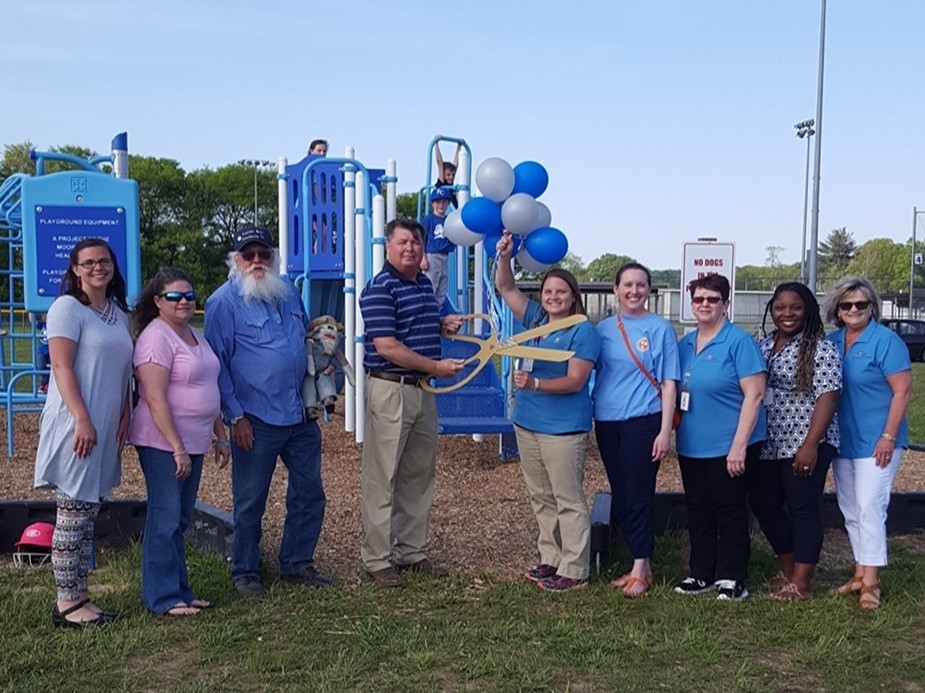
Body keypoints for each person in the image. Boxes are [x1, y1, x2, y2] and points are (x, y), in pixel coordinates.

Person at [203, 226, 329, 597]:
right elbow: (216, 365)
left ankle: (296, 564)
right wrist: (235, 417)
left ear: (273, 258)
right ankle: (245, 571)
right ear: (236, 260)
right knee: (250, 500)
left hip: (299, 413)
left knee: (310, 492)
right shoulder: (222, 302)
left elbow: (305, 337)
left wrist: (321, 364)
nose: (256, 261)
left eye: (263, 254)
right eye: (248, 255)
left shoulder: (288, 290)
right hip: (255, 419)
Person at [358, 217, 465, 588]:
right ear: (388, 247)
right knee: (382, 475)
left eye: (416, 243)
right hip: (391, 389)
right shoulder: (379, 289)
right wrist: (436, 365)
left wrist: (441, 324)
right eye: (402, 242)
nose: (410, 248)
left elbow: (412, 324)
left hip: (422, 391)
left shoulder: (421, 284)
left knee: (418, 474)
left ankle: (411, 553)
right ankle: (376, 559)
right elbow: (387, 346)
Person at [33, 238, 133, 628]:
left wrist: (125, 413)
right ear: (75, 269)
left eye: (104, 261)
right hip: (77, 425)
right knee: (72, 514)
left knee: (87, 512)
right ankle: (67, 604)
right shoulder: (66, 309)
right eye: (88, 262)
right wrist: (83, 418)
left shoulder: (118, 315)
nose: (97, 268)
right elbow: (62, 368)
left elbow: (125, 371)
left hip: (106, 426)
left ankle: (80, 594)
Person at [495, 230, 601, 592]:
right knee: (541, 496)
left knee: (567, 498)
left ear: (574, 296)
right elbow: (507, 289)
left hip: (563, 427)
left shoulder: (582, 331)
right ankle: (551, 558)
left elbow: (576, 380)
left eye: (561, 292)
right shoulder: (537, 320)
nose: (554, 297)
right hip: (527, 422)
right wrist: (505, 256)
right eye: (548, 292)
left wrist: (536, 384)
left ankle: (574, 568)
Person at [129, 268, 230, 616]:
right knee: (165, 517)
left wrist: (220, 435)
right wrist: (177, 447)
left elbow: (208, 387)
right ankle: (162, 597)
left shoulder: (192, 334)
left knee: (181, 518)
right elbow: (155, 399)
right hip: (163, 443)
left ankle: (182, 591)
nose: (184, 301)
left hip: (195, 440)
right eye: (175, 296)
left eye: (189, 295)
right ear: (158, 301)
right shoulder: (156, 338)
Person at [674, 274, 766, 601]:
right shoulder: (684, 344)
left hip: (730, 445)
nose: (705, 305)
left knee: (729, 510)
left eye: (713, 299)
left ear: (726, 303)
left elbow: (754, 395)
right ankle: (701, 573)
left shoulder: (739, 343)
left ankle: (732, 577)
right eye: (699, 299)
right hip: (691, 445)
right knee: (698, 509)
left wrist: (739, 446)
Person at [749, 282, 841, 601]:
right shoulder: (762, 345)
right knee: (765, 505)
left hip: (806, 440)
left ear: (808, 311)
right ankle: (788, 570)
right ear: (771, 310)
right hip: (768, 441)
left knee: (802, 508)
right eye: (780, 307)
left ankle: (802, 582)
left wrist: (811, 444)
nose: (787, 313)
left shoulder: (819, 348)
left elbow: (828, 396)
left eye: (796, 307)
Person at [592, 262, 679, 598]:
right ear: (615, 289)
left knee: (638, 493)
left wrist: (663, 431)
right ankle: (639, 562)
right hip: (607, 421)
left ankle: (641, 565)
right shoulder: (602, 329)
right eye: (627, 285)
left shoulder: (660, 329)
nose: (633, 291)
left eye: (640, 285)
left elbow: (669, 382)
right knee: (622, 491)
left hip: (644, 420)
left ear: (649, 289)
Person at [825, 276, 911, 610]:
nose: (854, 310)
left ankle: (872, 582)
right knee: (850, 508)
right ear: (838, 309)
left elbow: (902, 390)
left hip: (878, 440)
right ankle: (859, 573)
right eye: (847, 305)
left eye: (861, 304)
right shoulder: (832, 342)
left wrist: (889, 435)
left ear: (872, 306)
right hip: (843, 440)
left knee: (870, 505)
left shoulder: (886, 341)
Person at [420, 187, 453, 310]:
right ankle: (426, 313)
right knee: (430, 286)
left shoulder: (448, 220)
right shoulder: (429, 219)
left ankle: (435, 314)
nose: (441, 205)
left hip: (444, 255)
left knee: (442, 288)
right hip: (432, 255)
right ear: (433, 203)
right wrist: (422, 258)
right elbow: (421, 239)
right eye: (438, 202)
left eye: (444, 202)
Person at [434, 134, 463, 208]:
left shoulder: (451, 184)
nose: (451, 177)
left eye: (453, 175)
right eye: (448, 174)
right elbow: (439, 162)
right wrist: (436, 143)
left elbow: (456, 164)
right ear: (443, 174)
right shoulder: (442, 181)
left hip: (454, 208)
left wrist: (459, 146)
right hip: (444, 207)